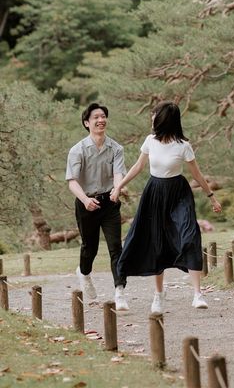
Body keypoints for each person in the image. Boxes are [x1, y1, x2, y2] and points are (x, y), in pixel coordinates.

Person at [115, 101, 222, 313]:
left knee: (190, 236)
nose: (152, 118)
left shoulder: (183, 145)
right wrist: (119, 186)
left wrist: (211, 196)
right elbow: (138, 166)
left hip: (179, 193)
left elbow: (196, 174)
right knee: (157, 242)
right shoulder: (150, 141)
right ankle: (158, 295)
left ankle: (197, 294)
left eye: (155, 115)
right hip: (154, 193)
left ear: (164, 120)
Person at [65, 102, 129, 311]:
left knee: (115, 248)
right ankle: (84, 273)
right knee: (89, 248)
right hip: (86, 202)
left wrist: (117, 189)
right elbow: (72, 181)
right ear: (87, 123)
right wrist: (85, 199)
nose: (101, 120)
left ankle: (119, 291)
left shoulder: (116, 148)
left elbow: (118, 173)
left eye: (103, 116)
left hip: (110, 201)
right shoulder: (78, 150)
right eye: (96, 117)